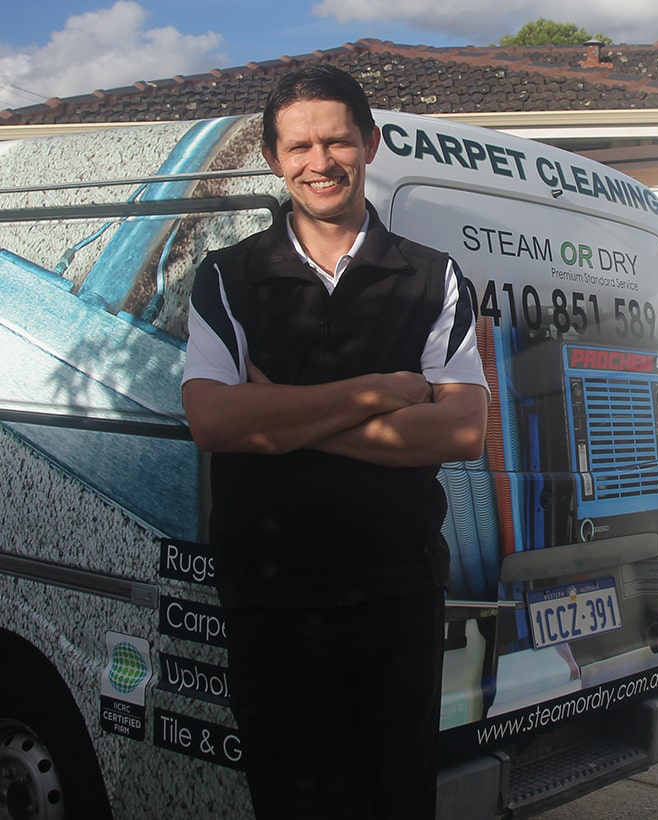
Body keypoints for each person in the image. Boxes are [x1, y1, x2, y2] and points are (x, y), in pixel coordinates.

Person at [182, 64, 489, 820]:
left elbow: (461, 430)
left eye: (337, 142)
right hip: (274, 598)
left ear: (370, 145)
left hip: (398, 593)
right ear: (272, 156)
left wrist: (277, 417)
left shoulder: (433, 276)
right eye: (299, 147)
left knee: (395, 800)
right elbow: (214, 423)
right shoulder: (228, 277)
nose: (319, 163)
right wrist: (375, 393)